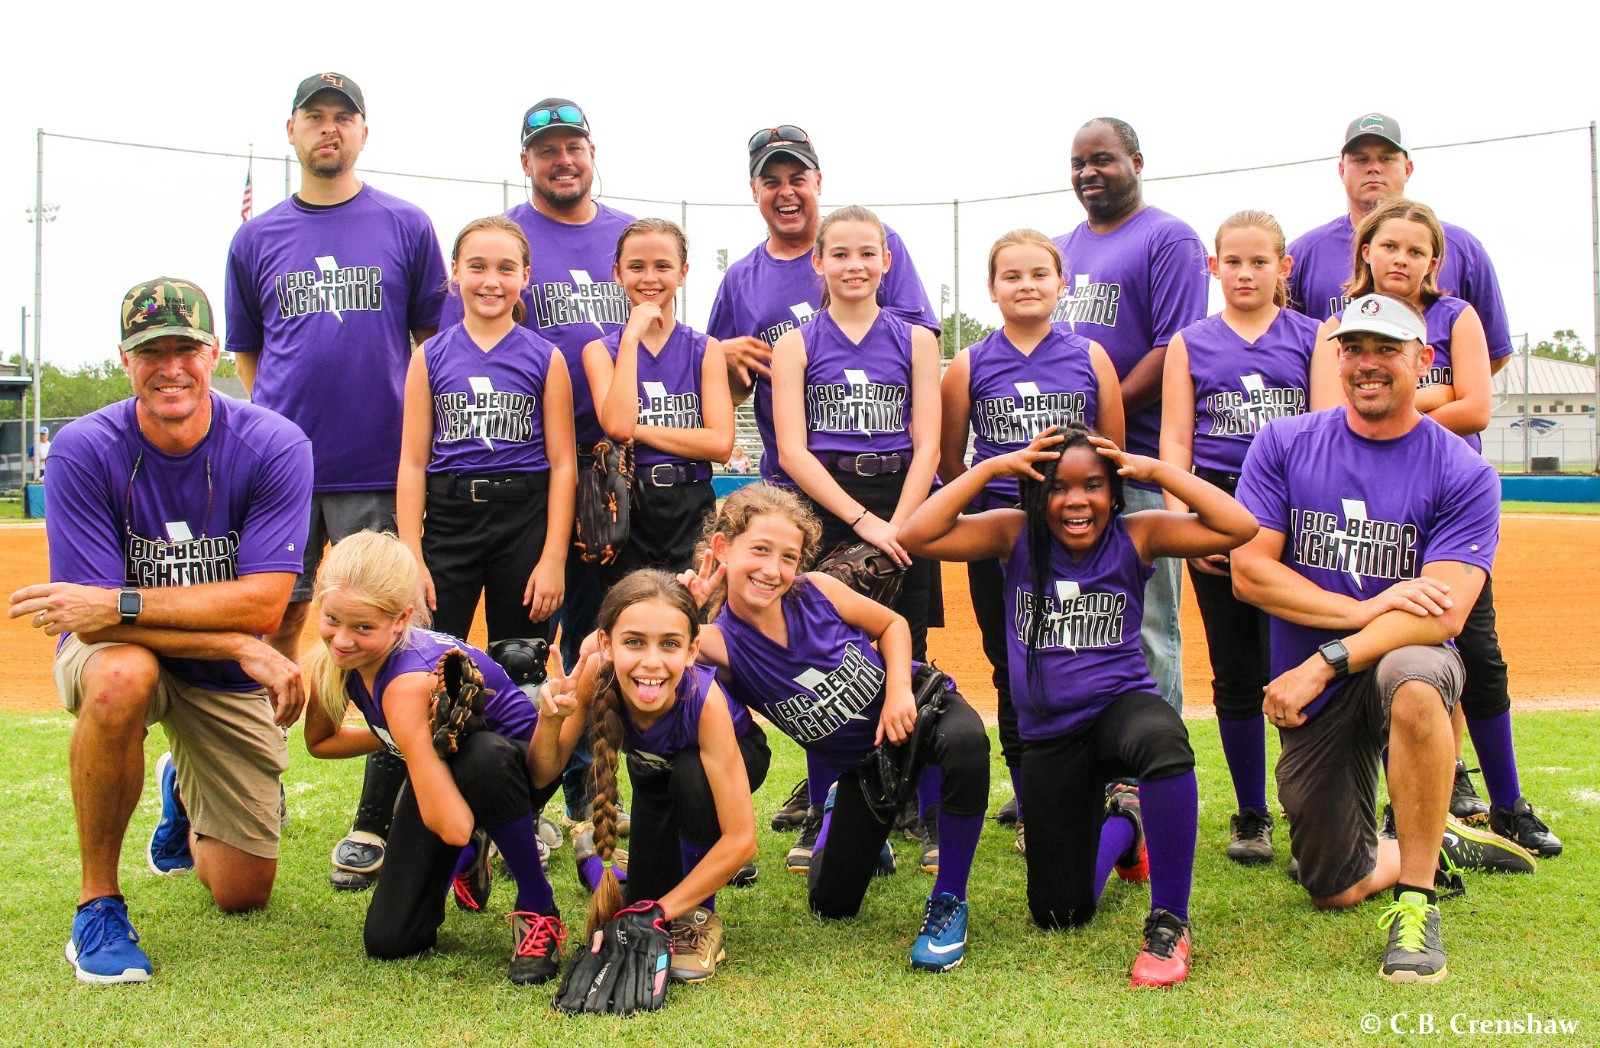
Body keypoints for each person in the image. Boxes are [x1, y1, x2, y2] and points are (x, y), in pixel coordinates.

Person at [9, 277, 312, 984]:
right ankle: (97, 905)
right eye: (151, 352)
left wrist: (127, 608)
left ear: (214, 353)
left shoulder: (274, 444)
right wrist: (231, 637)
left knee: (242, 891)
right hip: (126, 657)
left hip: (219, 675)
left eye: (186, 349)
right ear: (125, 359)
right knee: (124, 673)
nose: (170, 368)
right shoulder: (85, 448)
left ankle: (181, 791)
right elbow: (89, 623)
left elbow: (263, 607)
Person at [1232, 293, 1536, 985]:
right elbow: (1250, 574)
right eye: (1354, 349)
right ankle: (1432, 838)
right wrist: (1367, 607)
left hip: (1374, 665)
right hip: (1321, 689)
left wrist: (1324, 659)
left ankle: (1417, 900)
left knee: (1416, 678)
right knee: (1332, 885)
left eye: (1387, 350)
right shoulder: (1284, 442)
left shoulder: (1462, 470)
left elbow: (1443, 615)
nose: (1367, 364)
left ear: (1423, 361)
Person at [903, 424, 1257, 988]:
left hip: (1120, 711)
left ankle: (1170, 920)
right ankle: (1127, 825)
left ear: (1113, 493)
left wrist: (1156, 470)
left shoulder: (1137, 533)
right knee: (1060, 912)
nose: (1076, 501)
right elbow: (916, 535)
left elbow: (1238, 526)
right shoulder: (1014, 533)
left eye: (1092, 485)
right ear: (1036, 493)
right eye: (1058, 487)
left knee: (1164, 741)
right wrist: (992, 467)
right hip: (1051, 736)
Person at [224, 71, 448, 892]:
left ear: (362, 131)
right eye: (314, 117)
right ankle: (255, 777)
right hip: (282, 475)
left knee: (387, 637)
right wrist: (280, 435)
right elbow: (250, 354)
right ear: (292, 131)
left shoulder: (405, 224)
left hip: (379, 470)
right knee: (269, 626)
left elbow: (434, 346)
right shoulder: (257, 239)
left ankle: (376, 817)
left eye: (342, 117)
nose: (329, 129)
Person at [707, 126, 941, 837]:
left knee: (909, 647)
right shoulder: (778, 321)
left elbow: (929, 439)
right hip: (819, 502)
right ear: (819, 263)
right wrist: (865, 523)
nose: (854, 265)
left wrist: (901, 523)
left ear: (886, 260)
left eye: (867, 254)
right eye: (840, 255)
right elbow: (786, 441)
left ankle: (916, 799)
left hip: (900, 499)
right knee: (822, 647)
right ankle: (827, 800)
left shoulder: (914, 334)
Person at [1307, 201, 1560, 857]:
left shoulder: (1456, 316)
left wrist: (1395, 415)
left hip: (1447, 505)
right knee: (1379, 651)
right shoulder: (1339, 324)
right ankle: (1408, 811)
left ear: (1433, 262)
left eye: (1415, 250)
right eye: (1388, 245)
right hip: (1367, 511)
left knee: (1476, 654)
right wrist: (1431, 398)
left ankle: (1507, 805)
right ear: (1365, 251)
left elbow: (1476, 407)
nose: (1401, 259)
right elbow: (1331, 416)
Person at [691, 484, 990, 972]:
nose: (773, 569)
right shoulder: (715, 643)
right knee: (831, 905)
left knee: (966, 742)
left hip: (916, 713)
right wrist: (688, 610)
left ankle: (949, 900)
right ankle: (841, 814)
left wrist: (898, 690)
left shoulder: (817, 590)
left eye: (788, 557)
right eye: (759, 550)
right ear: (722, 548)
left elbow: (892, 625)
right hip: (867, 770)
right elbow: (644, 652)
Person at [448, 97, 636, 867]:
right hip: (533, 470)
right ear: (526, 162)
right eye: (547, 149)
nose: (563, 159)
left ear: (592, 152)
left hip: (613, 470)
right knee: (520, 648)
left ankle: (590, 800)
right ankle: (509, 801)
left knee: (597, 640)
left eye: (573, 146)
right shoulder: (505, 239)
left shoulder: (628, 234)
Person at [301, 531, 580, 985]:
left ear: (401, 620)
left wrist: (410, 734)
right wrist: (401, 738)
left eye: (363, 627)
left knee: (481, 757)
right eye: (332, 619)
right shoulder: (330, 660)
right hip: (451, 766)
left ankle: (537, 904)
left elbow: (453, 825)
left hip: (519, 770)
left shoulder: (405, 683)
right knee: (391, 939)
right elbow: (321, 742)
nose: (343, 640)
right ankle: (472, 857)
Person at [939, 229, 1124, 853]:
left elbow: (1113, 454)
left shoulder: (1091, 356)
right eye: (1011, 276)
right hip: (1005, 539)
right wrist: (995, 515)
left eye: (1039, 274)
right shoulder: (970, 363)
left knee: (1083, 660)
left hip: (1080, 539)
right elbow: (951, 463)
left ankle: (1090, 788)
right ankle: (1030, 800)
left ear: (1061, 284)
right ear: (992, 289)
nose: (1026, 285)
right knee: (1012, 667)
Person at [1159, 211, 1321, 864]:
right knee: (1235, 670)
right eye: (1233, 261)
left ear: (1284, 267)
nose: (1245, 273)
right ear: (1213, 267)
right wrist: (1186, 525)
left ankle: (1307, 811)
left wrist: (1308, 524)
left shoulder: (1313, 335)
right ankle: (1252, 812)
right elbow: (1176, 441)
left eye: (1259, 261)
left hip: (1293, 508)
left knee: (1296, 664)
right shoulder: (1190, 342)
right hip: (1218, 504)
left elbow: (1326, 430)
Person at [536, 570, 766, 983]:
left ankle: (700, 919)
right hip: (653, 772)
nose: (652, 661)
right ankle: (596, 858)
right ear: (606, 643)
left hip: (725, 761)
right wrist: (551, 720)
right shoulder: (596, 675)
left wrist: (663, 912)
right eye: (634, 642)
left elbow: (742, 840)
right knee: (641, 896)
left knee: (691, 777)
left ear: (692, 650)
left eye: (670, 644)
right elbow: (543, 773)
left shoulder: (704, 701)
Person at [1052, 117, 1209, 713]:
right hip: (1066, 472)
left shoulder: (1169, 239)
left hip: (1136, 464)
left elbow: (1173, 351)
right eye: (1078, 163)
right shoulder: (1059, 249)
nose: (1088, 172)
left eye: (1102, 159)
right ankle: (1078, 752)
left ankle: (1156, 757)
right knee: (1069, 621)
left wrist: (1093, 417)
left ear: (1136, 163)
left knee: (1147, 627)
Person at [396, 215, 576, 646]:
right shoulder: (429, 356)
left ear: (525, 276)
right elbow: (413, 463)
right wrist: (411, 556)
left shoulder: (545, 358)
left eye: (506, 268)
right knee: (434, 654)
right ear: (455, 271)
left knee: (520, 658)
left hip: (524, 520)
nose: (491, 281)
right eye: (477, 266)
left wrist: (553, 558)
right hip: (450, 520)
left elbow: (564, 464)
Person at [1286, 113, 1513, 374]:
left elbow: (1494, 353)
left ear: (1408, 169)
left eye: (1386, 158)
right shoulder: (1304, 254)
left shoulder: (1463, 249)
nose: (1373, 168)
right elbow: (1285, 349)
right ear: (1341, 170)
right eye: (1360, 159)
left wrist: (1438, 394)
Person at [583, 219, 734, 577]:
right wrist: (631, 339)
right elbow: (617, 427)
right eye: (636, 267)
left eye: (663, 266)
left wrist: (639, 429)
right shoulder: (601, 351)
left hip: (691, 501)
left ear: (682, 273)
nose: (649, 277)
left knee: (693, 604)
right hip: (627, 503)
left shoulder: (705, 349)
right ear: (617, 274)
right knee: (629, 605)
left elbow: (720, 444)